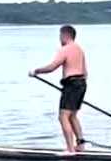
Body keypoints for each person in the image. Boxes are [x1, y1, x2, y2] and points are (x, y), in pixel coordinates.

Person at [29, 25, 88, 153]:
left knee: (63, 116)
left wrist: (36, 71)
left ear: (66, 35)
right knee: (72, 115)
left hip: (72, 84)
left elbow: (52, 67)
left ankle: (70, 149)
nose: (59, 39)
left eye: (60, 36)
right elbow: (85, 71)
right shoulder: (79, 49)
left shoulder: (65, 49)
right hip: (81, 83)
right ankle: (80, 145)